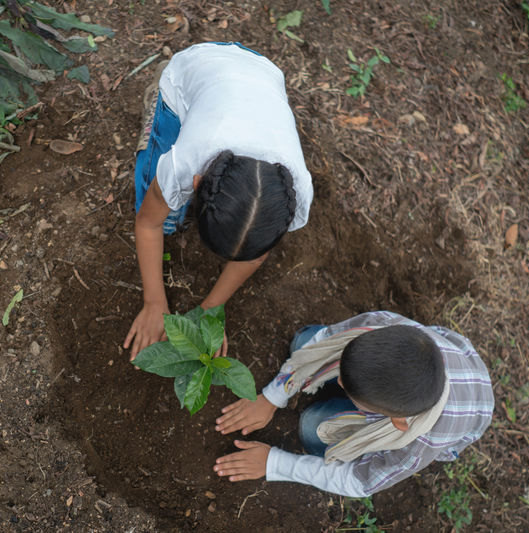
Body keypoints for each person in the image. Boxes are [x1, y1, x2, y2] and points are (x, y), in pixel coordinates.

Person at [123, 42, 313, 360]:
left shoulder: (297, 191)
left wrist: (211, 308)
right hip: (192, 72)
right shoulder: (187, 161)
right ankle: (157, 88)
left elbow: (254, 256)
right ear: (197, 184)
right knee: (155, 190)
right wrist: (154, 301)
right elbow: (147, 222)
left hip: (261, 72)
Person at [212, 311, 494, 497]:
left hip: (463, 413)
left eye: (348, 388)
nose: (341, 383)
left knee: (312, 428)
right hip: (456, 364)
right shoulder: (388, 324)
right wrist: (272, 397)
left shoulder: (418, 443)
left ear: (394, 421)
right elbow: (326, 339)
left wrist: (275, 463)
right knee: (304, 343)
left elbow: (358, 481)